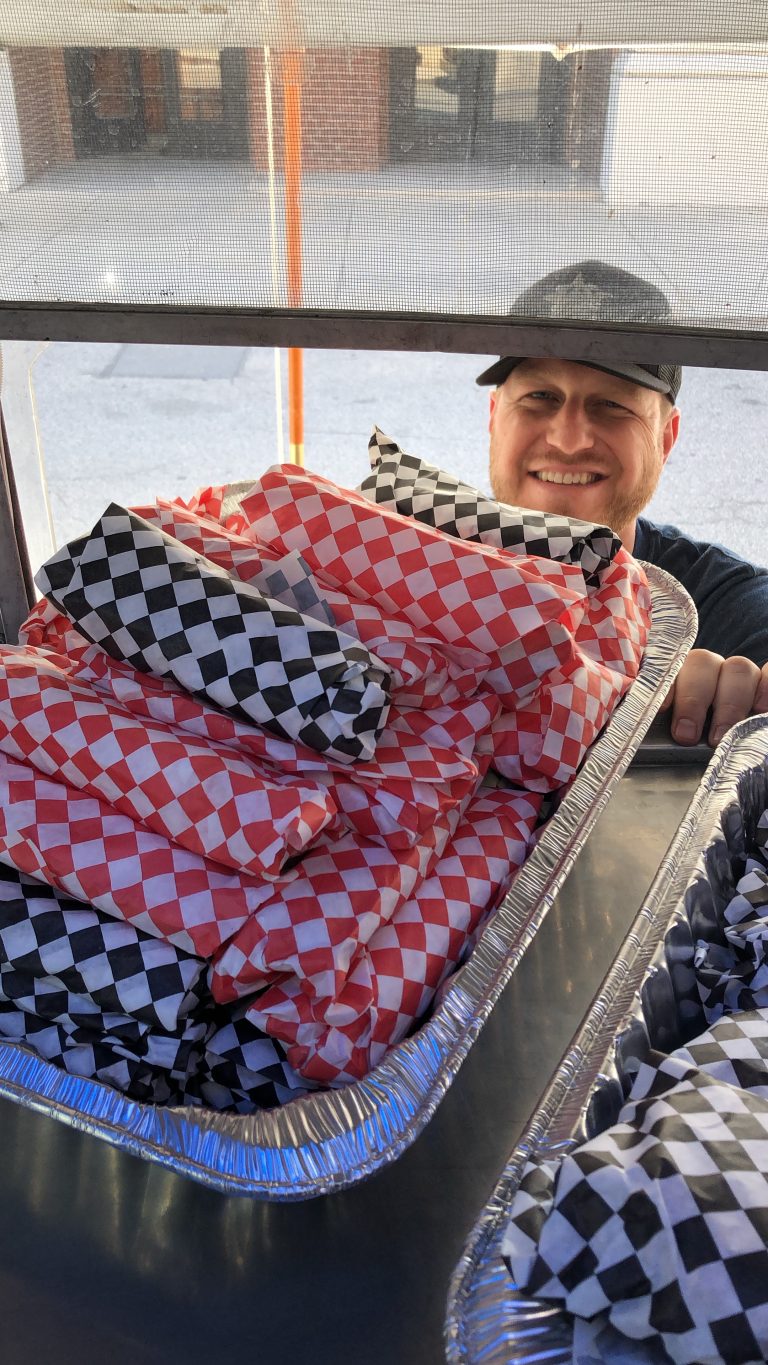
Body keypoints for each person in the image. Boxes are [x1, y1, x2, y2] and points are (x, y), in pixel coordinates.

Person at [476, 261, 768, 747]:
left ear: (665, 438)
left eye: (611, 404)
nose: (568, 440)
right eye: (540, 396)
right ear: (494, 418)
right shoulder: (398, 566)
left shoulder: (721, 606)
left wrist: (745, 695)